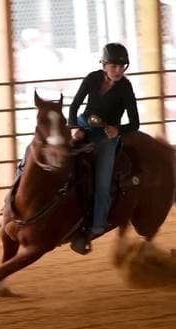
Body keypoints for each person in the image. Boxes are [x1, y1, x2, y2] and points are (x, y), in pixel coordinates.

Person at [68, 43, 140, 254]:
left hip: (107, 135)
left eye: (122, 66)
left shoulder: (125, 87)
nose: (118, 70)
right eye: (114, 65)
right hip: (84, 125)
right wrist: (74, 127)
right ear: (104, 65)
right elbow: (74, 107)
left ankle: (96, 226)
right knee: (56, 155)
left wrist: (117, 131)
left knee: (102, 182)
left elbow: (134, 123)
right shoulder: (92, 78)